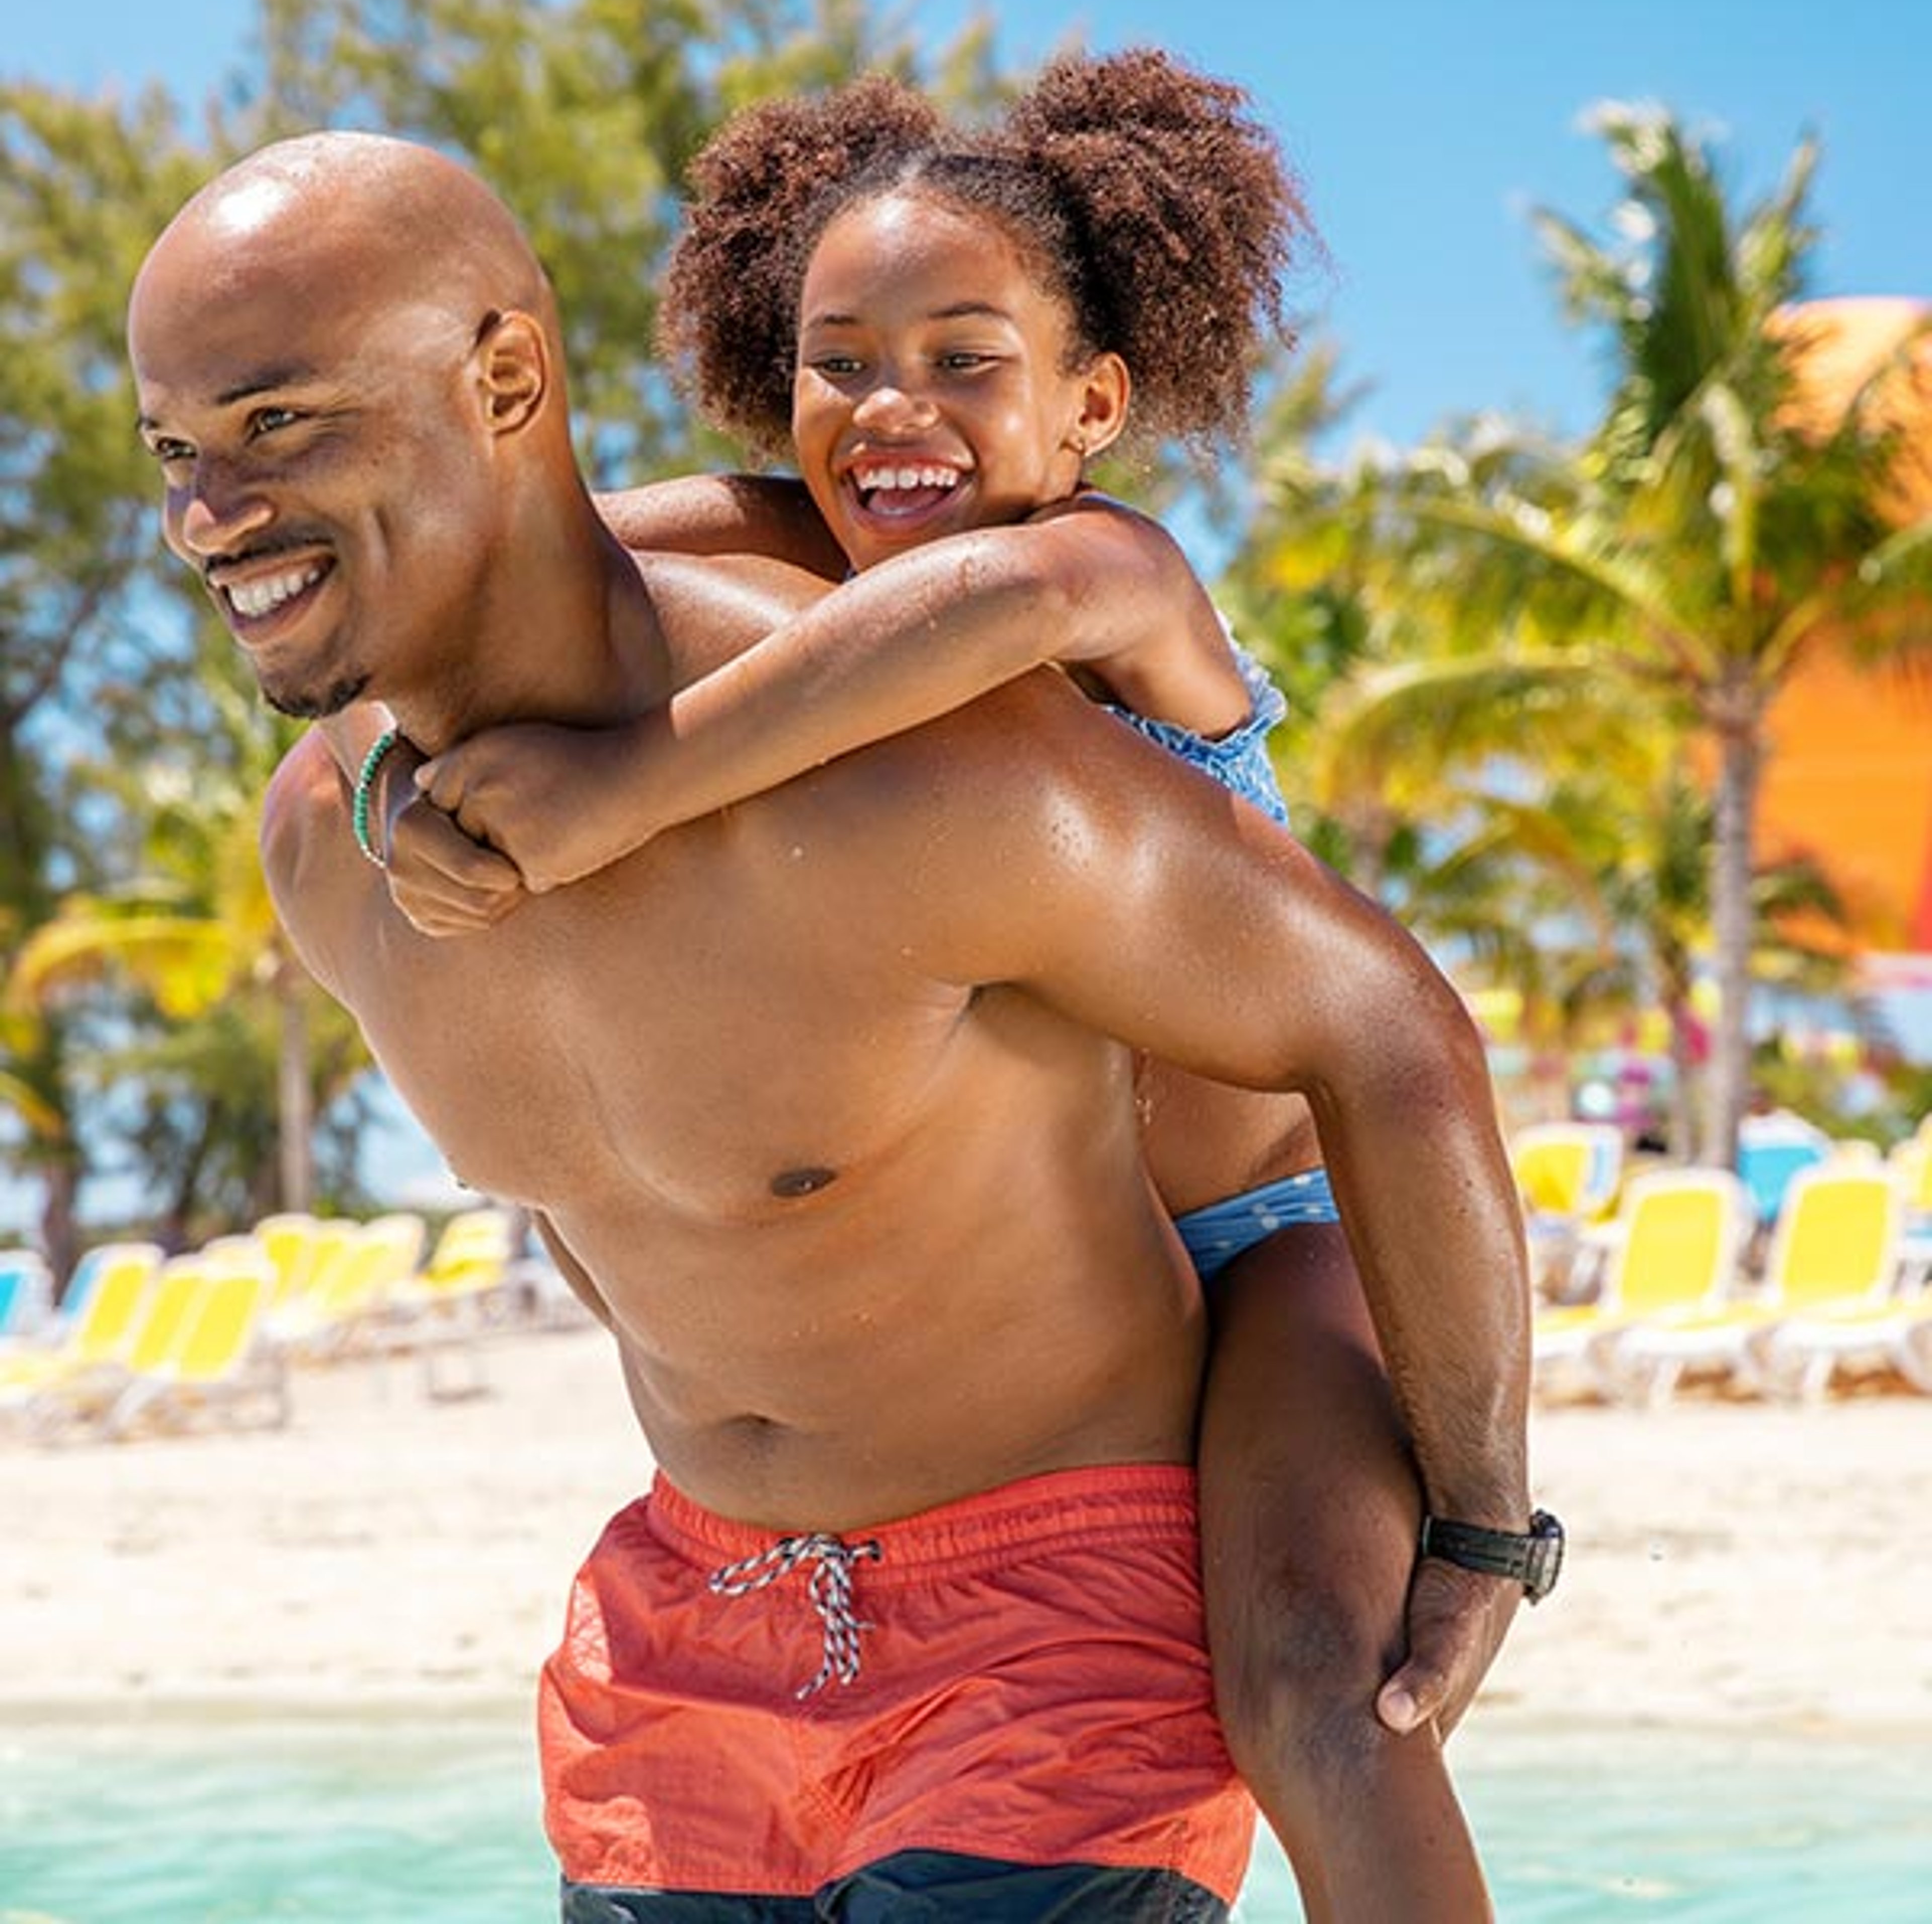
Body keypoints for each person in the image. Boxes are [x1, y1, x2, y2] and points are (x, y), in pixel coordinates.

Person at [129, 129, 1542, 1921]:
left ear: (504, 380)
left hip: (1139, 1456)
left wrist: (1486, 1520)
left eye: (279, 427)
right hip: (689, 1652)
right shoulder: (334, 858)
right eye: (176, 454)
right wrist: (392, 748)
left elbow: (1394, 1036)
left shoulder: (978, 704)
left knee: (1326, 1704)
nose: (205, 516)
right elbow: (602, 532)